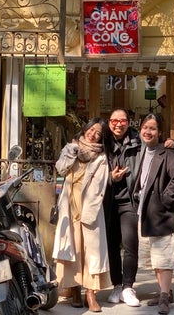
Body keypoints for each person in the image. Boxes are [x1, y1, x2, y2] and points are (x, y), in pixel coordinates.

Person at [106, 109, 174, 307]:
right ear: (109, 122)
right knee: (112, 246)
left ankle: (128, 286)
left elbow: (159, 147)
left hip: (130, 201)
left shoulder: (139, 141)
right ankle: (117, 285)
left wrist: (173, 143)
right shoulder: (103, 142)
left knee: (130, 245)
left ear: (129, 123)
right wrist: (111, 178)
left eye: (122, 120)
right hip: (108, 200)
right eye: (114, 120)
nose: (118, 124)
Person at [53, 118, 112, 313]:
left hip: (89, 207)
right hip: (69, 207)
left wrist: (88, 212)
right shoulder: (71, 148)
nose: (93, 134)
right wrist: (71, 153)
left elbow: (99, 186)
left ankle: (91, 293)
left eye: (98, 133)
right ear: (85, 129)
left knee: (91, 251)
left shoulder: (101, 157)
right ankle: (75, 289)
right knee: (73, 248)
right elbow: (60, 169)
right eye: (91, 130)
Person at [134, 113, 174, 315]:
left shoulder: (167, 153)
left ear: (160, 132)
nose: (148, 131)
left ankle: (164, 296)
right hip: (146, 212)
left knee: (164, 258)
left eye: (152, 128)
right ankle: (166, 291)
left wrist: (164, 201)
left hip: (163, 215)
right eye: (145, 127)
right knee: (155, 258)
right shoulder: (142, 151)